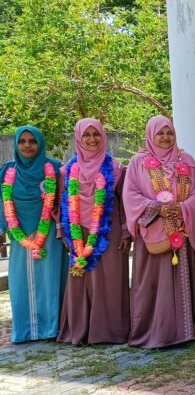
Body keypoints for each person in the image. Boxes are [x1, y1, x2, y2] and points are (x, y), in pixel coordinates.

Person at [123, 116, 195, 348]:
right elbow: (130, 195)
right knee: (154, 284)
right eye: (160, 133)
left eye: (169, 132)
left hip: (183, 231)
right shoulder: (138, 162)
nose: (165, 137)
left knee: (182, 280)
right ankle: (155, 331)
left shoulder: (186, 160)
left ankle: (186, 330)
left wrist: (182, 208)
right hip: (153, 235)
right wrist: (157, 208)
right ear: (151, 135)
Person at [58, 118, 132, 345]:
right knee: (80, 279)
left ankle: (110, 331)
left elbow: (125, 203)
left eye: (96, 134)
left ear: (103, 136)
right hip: (77, 230)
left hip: (109, 230)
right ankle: (80, 330)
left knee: (110, 278)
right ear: (78, 138)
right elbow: (61, 203)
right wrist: (64, 233)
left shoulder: (117, 168)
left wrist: (126, 232)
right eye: (86, 135)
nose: (92, 139)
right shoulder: (67, 170)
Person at [0, 126, 67, 343]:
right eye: (22, 141)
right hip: (19, 233)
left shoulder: (55, 169)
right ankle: (25, 331)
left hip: (48, 232)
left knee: (50, 279)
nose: (27, 145)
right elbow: (2, 202)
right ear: (16, 144)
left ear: (40, 143)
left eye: (32, 141)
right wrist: (1, 229)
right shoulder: (7, 171)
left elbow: (65, 201)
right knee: (20, 282)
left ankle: (52, 329)